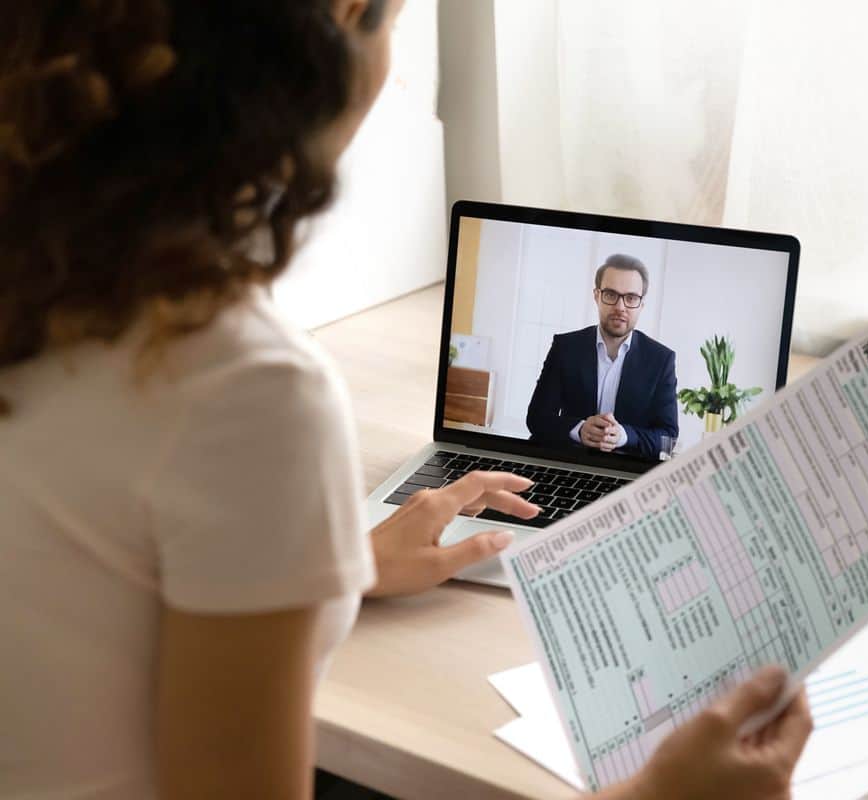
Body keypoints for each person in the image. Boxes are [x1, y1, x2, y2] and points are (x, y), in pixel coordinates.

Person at [0, 2, 811, 799]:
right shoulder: (248, 389)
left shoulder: (42, 284)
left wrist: (339, 573)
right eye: (398, 22)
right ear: (346, 15)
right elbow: (538, 421)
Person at [526, 254, 680, 460]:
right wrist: (579, 429)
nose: (620, 307)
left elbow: (668, 436)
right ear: (597, 296)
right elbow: (537, 418)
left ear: (641, 304)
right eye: (610, 294)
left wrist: (624, 436)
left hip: (627, 469)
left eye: (631, 298)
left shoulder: (661, 360)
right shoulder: (565, 347)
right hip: (570, 462)